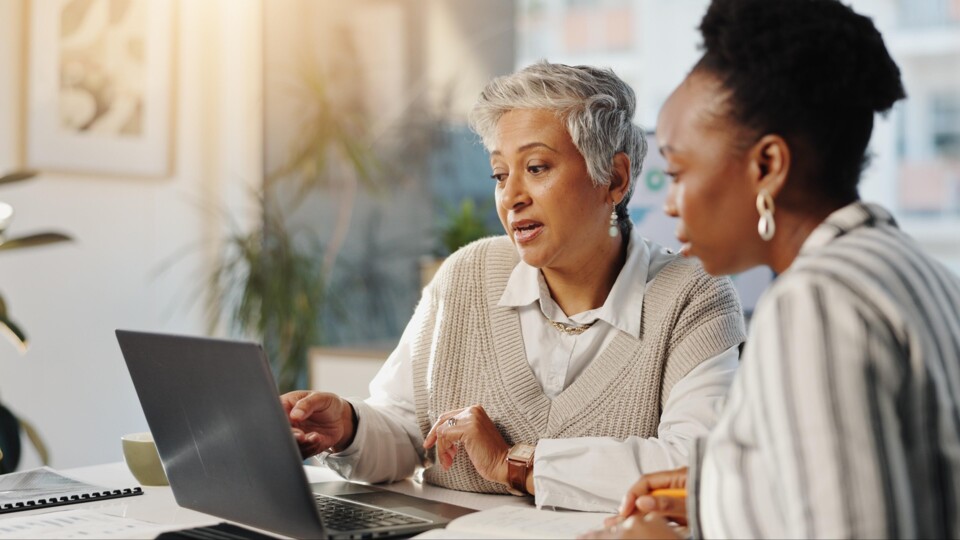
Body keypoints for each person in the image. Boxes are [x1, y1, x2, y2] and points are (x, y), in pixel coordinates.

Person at [281, 61, 747, 512]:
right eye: (500, 174)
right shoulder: (466, 275)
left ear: (614, 178)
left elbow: (696, 466)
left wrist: (516, 464)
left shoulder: (693, 296)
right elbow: (406, 431)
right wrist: (348, 427)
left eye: (537, 168)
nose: (511, 196)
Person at [582, 0, 960, 538]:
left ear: (767, 166)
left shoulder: (816, 304)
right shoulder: (914, 270)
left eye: (678, 172)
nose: (669, 204)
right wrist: (733, 490)